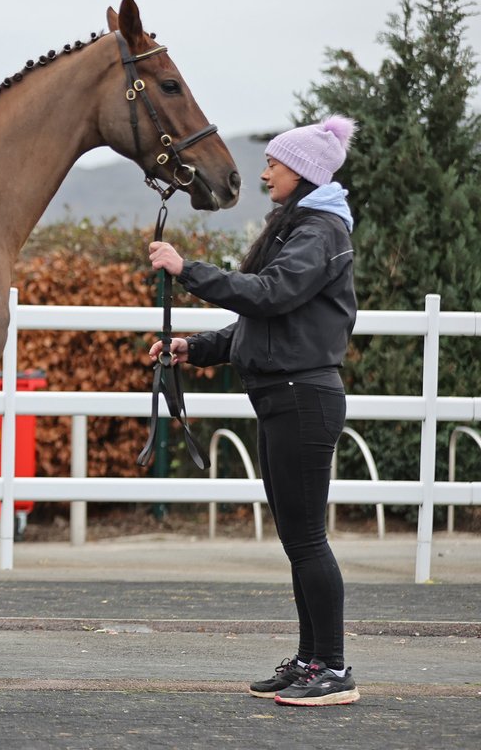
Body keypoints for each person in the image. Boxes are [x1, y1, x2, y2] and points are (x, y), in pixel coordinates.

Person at [147, 115, 361, 707]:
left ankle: (335, 667)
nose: (265, 171)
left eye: (275, 162)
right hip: (285, 396)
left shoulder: (317, 233)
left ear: (304, 171)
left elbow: (270, 294)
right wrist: (196, 348)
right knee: (299, 539)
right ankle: (314, 658)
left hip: (300, 398)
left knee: (307, 540)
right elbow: (263, 321)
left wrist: (187, 271)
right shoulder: (301, 227)